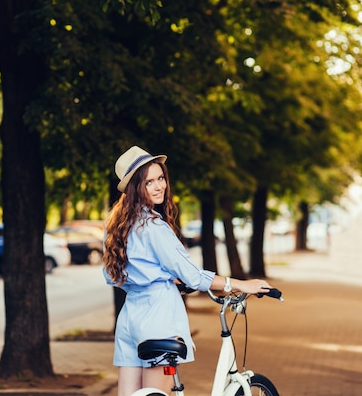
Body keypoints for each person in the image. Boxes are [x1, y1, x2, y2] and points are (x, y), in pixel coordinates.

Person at [103, 145, 275, 396]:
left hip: (130, 318)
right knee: (157, 393)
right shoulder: (153, 226)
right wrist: (241, 284)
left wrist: (160, 278)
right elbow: (192, 275)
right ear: (135, 187)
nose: (159, 186)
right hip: (158, 317)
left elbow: (113, 277)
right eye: (149, 182)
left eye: (160, 178)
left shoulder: (117, 225)